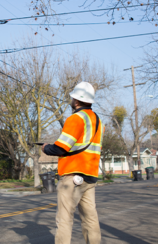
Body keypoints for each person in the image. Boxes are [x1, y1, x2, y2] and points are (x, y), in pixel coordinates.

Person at [42, 81, 104, 244]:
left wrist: (46, 148)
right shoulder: (97, 121)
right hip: (89, 176)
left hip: (72, 176)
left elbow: (60, 148)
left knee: (64, 219)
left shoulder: (75, 118)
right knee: (90, 219)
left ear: (76, 101)